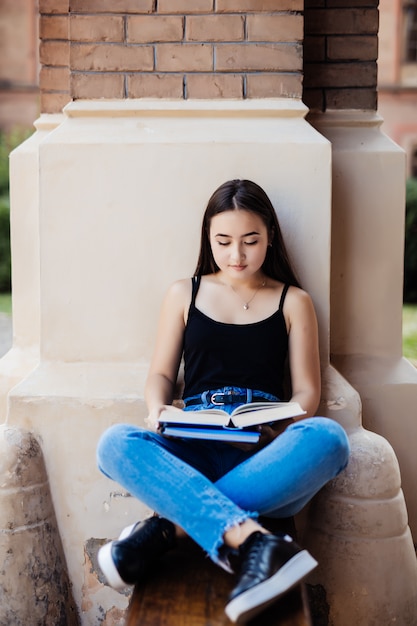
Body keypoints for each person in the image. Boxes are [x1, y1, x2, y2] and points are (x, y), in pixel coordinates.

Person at [96, 179, 350, 624]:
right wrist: (159, 411)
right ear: (207, 239)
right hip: (193, 441)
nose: (237, 255)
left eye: (250, 241)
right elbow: (160, 374)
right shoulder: (184, 293)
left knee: (329, 438)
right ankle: (255, 542)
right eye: (224, 242)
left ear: (269, 235)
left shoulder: (294, 301)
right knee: (114, 443)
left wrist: (280, 428)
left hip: (265, 453)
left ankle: (163, 531)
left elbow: (308, 393)